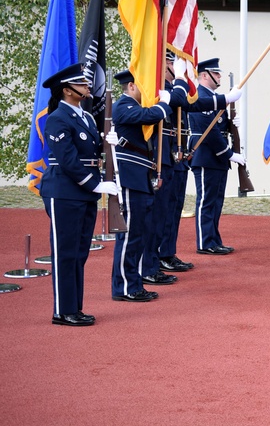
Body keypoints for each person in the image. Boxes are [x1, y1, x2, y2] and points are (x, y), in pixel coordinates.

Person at [39, 62, 120, 326]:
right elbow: (67, 159)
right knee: (65, 252)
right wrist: (94, 184)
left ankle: (75, 307)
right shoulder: (57, 118)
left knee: (79, 252)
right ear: (67, 90)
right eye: (82, 84)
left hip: (82, 193)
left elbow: (87, 152)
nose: (87, 87)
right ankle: (62, 311)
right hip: (64, 190)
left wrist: (107, 143)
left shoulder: (83, 117)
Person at [151, 53, 237, 274]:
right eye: (169, 62)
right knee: (170, 207)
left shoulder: (179, 92)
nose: (174, 66)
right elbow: (198, 112)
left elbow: (197, 106)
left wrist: (225, 102)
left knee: (175, 207)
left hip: (177, 155)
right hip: (172, 154)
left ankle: (168, 253)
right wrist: (226, 152)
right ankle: (161, 255)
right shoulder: (165, 91)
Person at [109, 69, 172, 302]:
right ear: (131, 87)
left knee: (139, 234)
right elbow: (148, 116)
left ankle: (132, 283)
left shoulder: (131, 107)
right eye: (143, 86)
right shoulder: (123, 106)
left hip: (140, 175)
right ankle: (125, 286)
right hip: (129, 176)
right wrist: (164, 104)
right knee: (129, 235)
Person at [187, 58, 245, 254]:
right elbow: (208, 130)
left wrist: (231, 124)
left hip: (217, 157)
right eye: (216, 73)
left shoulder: (214, 97)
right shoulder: (198, 97)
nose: (219, 76)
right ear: (205, 75)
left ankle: (213, 239)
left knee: (216, 201)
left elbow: (218, 127)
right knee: (206, 200)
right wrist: (229, 154)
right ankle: (205, 243)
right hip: (206, 155)